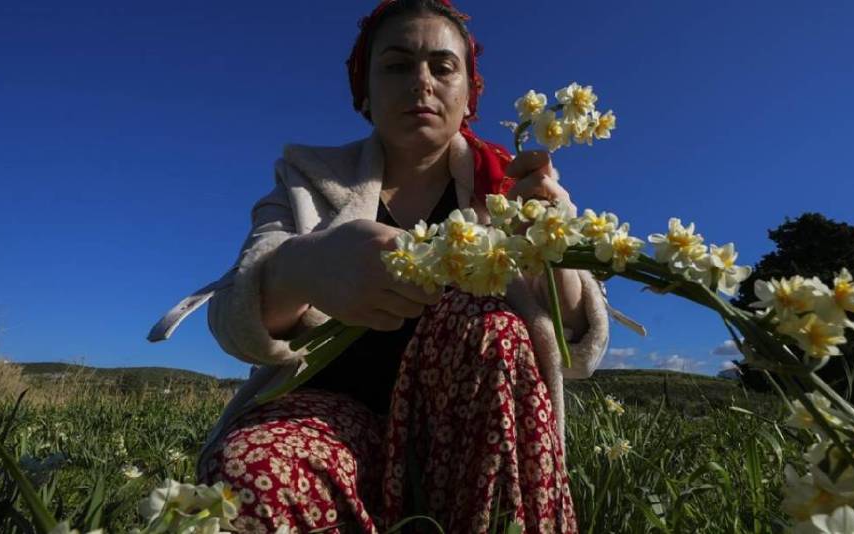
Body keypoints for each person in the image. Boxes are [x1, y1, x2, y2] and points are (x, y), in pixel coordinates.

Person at [147, 1, 610, 531]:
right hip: (330, 417)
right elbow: (232, 322)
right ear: (365, 93)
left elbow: (577, 345)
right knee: (250, 471)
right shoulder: (307, 182)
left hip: (469, 432)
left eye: (443, 66)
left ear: (468, 94)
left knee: (492, 327)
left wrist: (553, 248)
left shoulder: (517, 190)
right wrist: (305, 264)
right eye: (396, 65)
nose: (421, 81)